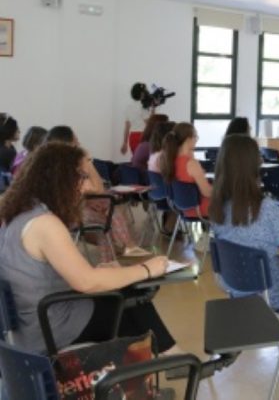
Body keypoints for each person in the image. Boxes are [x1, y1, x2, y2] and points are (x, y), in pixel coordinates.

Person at [0, 143, 177, 354]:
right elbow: (86, 282)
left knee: (127, 296)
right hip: (50, 328)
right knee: (132, 300)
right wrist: (147, 269)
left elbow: (45, 275)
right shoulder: (44, 223)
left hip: (29, 325)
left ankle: (166, 356)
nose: (87, 187)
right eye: (83, 177)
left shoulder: (19, 213)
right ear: (61, 179)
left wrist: (102, 273)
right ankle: (174, 357)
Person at [209, 135, 279, 310]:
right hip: (273, 295)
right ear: (255, 167)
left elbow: (240, 239)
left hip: (234, 288)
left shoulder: (217, 208)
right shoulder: (266, 207)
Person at [46, 125, 152, 260]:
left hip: (60, 215)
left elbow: (80, 193)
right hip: (70, 217)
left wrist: (88, 201)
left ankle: (121, 251)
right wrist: (87, 161)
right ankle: (124, 250)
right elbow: (98, 188)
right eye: (76, 141)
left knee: (108, 211)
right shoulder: (68, 169)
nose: (79, 144)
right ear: (67, 144)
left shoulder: (51, 167)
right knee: (108, 219)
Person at [159, 122, 211, 218]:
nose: (197, 140)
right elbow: (207, 192)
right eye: (195, 136)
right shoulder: (191, 164)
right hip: (200, 209)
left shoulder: (170, 160)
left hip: (184, 211)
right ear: (188, 139)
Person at [121, 82, 153, 156]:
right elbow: (149, 124)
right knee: (145, 160)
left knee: (136, 159)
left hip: (132, 137)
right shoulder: (143, 107)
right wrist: (153, 110)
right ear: (142, 93)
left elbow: (127, 127)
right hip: (143, 136)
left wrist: (125, 143)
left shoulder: (129, 107)